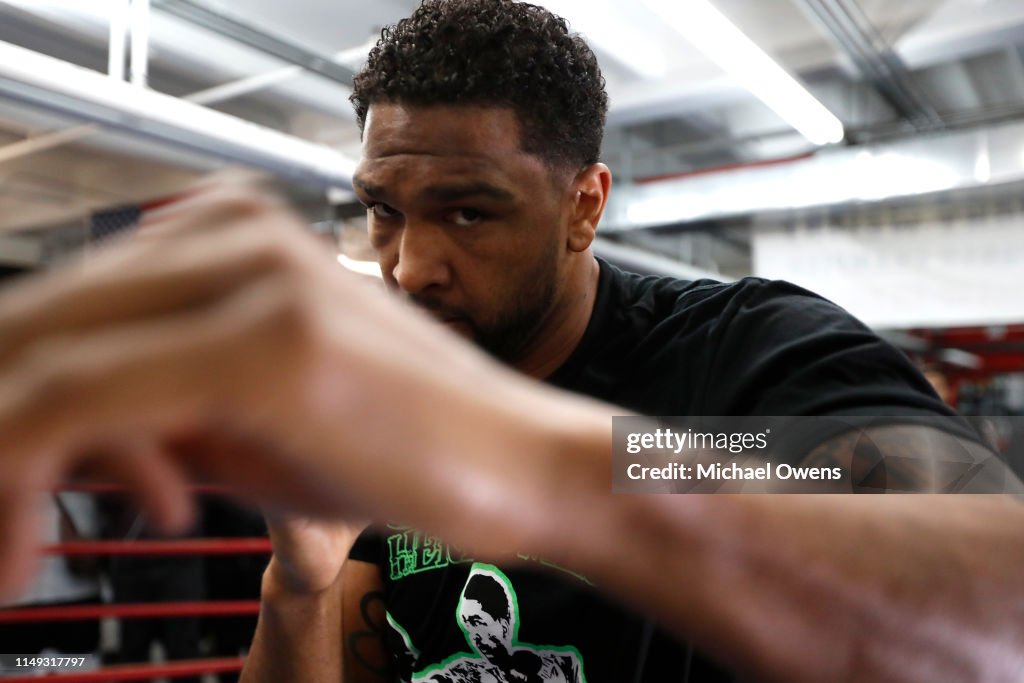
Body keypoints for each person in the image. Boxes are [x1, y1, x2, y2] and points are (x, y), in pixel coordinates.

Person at [0, 2, 1022, 682]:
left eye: (470, 213)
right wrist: (300, 578)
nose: (408, 267)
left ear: (584, 205)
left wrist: (523, 461)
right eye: (382, 210)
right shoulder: (384, 410)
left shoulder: (731, 354)